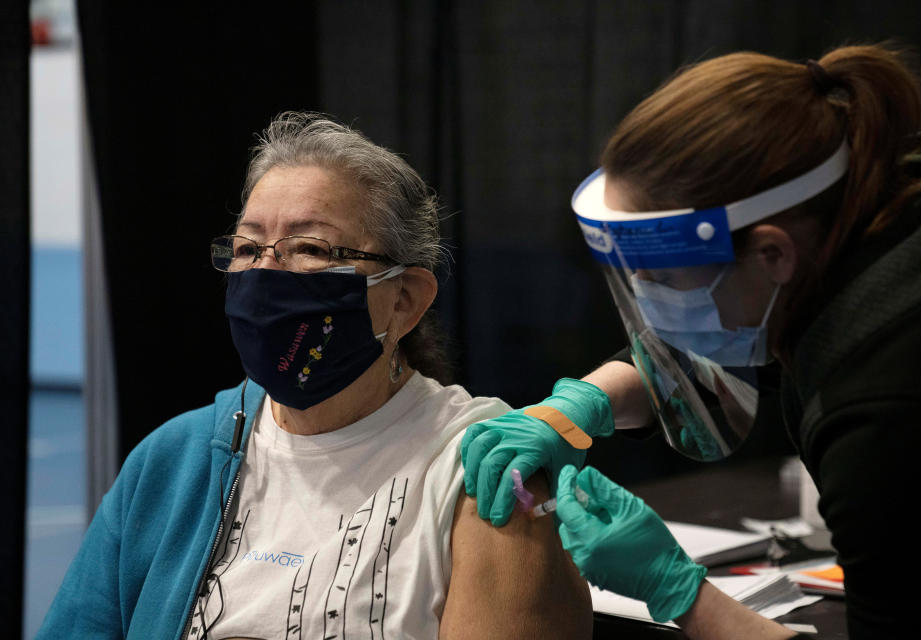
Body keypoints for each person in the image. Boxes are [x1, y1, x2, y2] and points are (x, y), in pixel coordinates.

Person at [462, 44, 921, 638]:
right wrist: (575, 408)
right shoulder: (904, 185)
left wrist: (677, 589)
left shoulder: (885, 401)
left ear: (773, 252)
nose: (649, 299)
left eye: (665, 278)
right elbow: (711, 342)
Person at [38, 112, 592, 639]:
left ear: (403, 301)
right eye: (248, 248)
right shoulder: (172, 464)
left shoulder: (479, 470)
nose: (266, 274)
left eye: (308, 248)